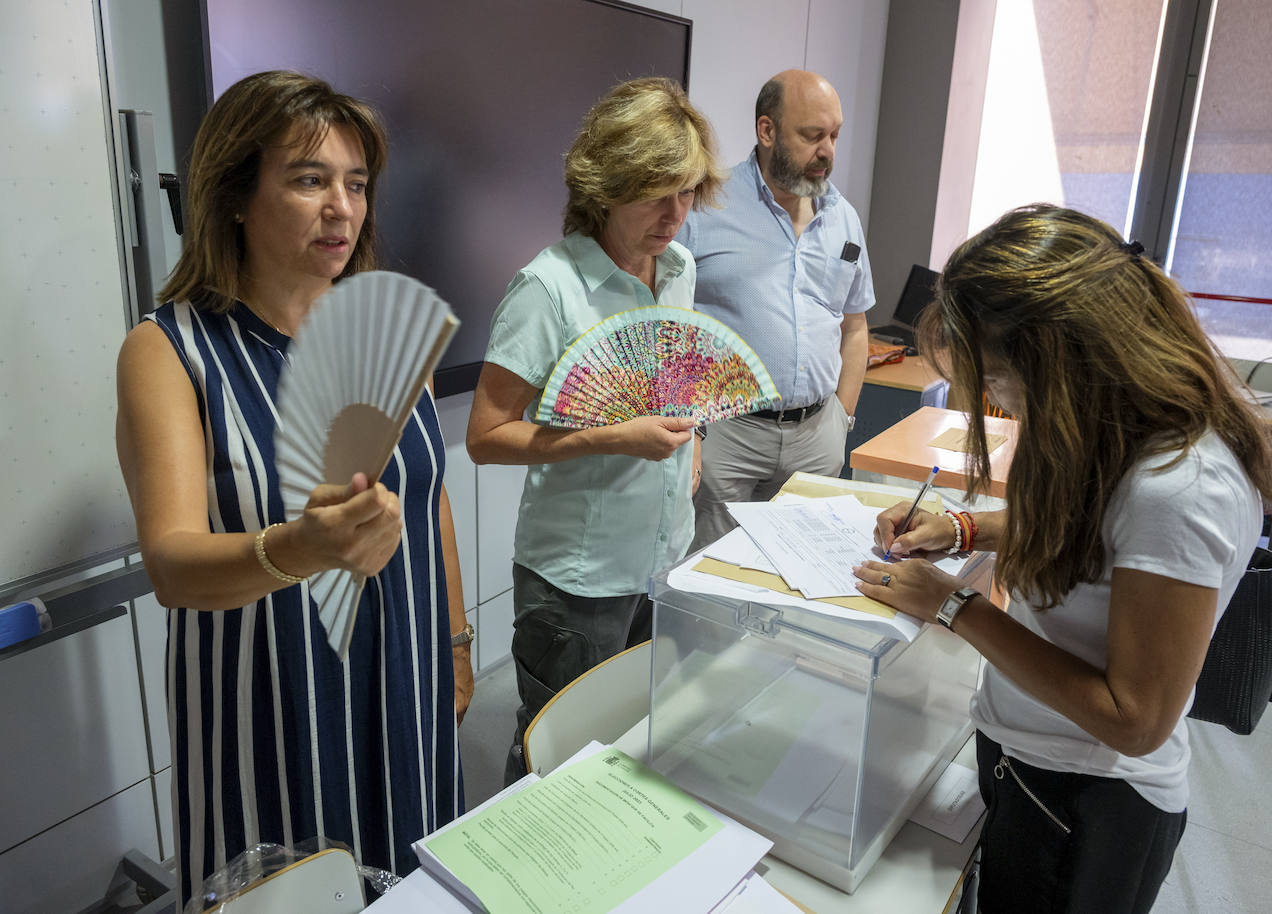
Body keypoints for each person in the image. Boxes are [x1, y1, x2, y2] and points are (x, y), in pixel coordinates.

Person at [852, 204, 1272, 914]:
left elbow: (1134, 716)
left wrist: (950, 603)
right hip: (1034, 764)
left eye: (999, 379)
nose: (996, 400)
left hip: (1088, 804)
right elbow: (1096, 531)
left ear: (1065, 358)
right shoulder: (1123, 430)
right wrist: (964, 529)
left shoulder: (1179, 487)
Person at [114, 71, 471, 906]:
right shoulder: (170, 352)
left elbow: (429, 499)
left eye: (355, 185)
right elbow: (170, 565)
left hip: (406, 687)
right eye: (309, 181)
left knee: (415, 888)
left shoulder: (385, 331)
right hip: (267, 714)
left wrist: (455, 647)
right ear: (235, 195)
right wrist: (298, 548)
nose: (342, 208)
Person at [466, 77, 725, 784]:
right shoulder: (548, 289)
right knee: (557, 757)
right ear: (605, 183)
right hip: (577, 580)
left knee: (634, 743)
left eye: (689, 192)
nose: (675, 214)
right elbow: (486, 435)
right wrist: (614, 437)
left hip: (659, 557)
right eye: (656, 193)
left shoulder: (679, 269)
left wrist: (691, 434)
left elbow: (673, 376)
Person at [677, 69, 875, 550]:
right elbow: (669, 326)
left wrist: (841, 420)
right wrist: (691, 429)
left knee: (800, 575)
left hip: (817, 434)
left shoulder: (842, 217)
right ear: (766, 131)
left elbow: (854, 326)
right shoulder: (705, 206)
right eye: (812, 136)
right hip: (727, 434)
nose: (827, 150)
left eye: (834, 135)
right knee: (711, 580)